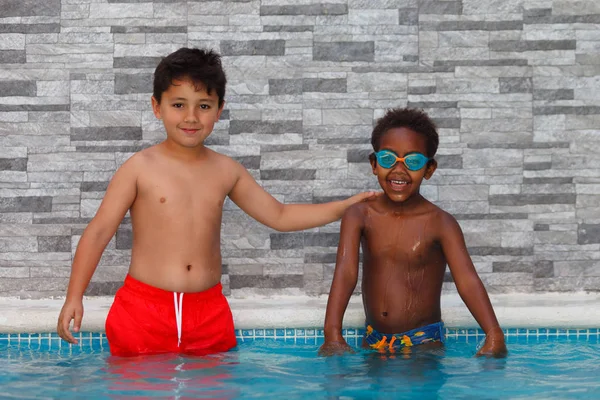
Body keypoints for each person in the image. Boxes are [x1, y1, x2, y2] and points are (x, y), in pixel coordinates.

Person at [56, 47, 378, 357]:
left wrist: (345, 206)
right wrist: (75, 295)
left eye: (204, 106)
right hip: (142, 311)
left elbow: (279, 215)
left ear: (219, 110)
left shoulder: (226, 171)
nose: (191, 117)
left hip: (208, 315)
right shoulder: (139, 168)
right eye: (179, 105)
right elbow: (99, 231)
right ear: (157, 107)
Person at [318, 108, 507, 358]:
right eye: (388, 159)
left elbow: (467, 281)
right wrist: (332, 334)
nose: (399, 170)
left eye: (413, 161)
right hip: (374, 340)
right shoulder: (359, 215)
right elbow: (345, 272)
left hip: (424, 341)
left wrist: (494, 334)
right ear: (374, 164)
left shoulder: (441, 223)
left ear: (429, 169)